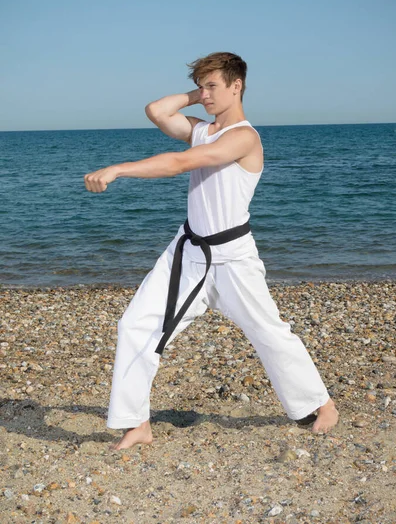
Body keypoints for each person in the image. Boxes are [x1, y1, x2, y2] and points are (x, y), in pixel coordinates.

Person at [84, 52, 339, 450]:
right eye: (201, 86)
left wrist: (120, 168)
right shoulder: (202, 128)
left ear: (237, 86)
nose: (204, 94)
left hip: (233, 256)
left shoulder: (244, 137)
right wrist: (198, 93)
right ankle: (137, 423)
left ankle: (321, 403)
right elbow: (156, 109)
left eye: (213, 86)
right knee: (135, 325)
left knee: (268, 333)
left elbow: (181, 163)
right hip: (187, 252)